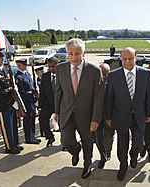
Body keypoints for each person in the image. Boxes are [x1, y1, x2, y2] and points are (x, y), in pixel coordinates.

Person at [54, 38, 104, 179]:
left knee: (88, 142)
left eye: (77, 53)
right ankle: (75, 150)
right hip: (66, 113)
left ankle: (87, 164)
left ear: (84, 53)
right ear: (67, 54)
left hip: (87, 116)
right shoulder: (61, 68)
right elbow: (58, 92)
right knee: (66, 141)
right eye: (71, 54)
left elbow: (99, 98)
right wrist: (57, 112)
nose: (74, 57)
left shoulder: (94, 71)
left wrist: (96, 119)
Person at [105, 47, 150, 181]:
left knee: (139, 143)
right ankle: (123, 166)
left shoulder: (146, 73)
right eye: (124, 59)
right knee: (122, 145)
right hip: (120, 116)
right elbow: (109, 98)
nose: (127, 62)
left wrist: (149, 113)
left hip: (139, 116)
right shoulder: (113, 75)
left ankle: (134, 155)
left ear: (135, 58)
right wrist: (108, 116)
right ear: (121, 59)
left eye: (130, 59)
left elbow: (149, 95)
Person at [0, 48, 23, 154]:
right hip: (3, 104)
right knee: (7, 126)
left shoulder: (6, 70)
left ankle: (15, 144)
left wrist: (14, 99)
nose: (2, 58)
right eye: (0, 56)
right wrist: (10, 101)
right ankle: (9, 146)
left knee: (13, 125)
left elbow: (11, 87)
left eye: (2, 56)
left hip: (11, 102)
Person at [94, 63, 115, 169]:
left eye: (105, 73)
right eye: (102, 73)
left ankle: (108, 152)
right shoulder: (93, 82)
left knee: (108, 137)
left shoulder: (114, 83)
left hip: (110, 117)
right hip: (97, 116)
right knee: (98, 138)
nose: (103, 75)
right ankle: (103, 156)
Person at [15, 59, 40, 144]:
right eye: (24, 65)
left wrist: (35, 94)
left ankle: (32, 137)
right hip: (26, 101)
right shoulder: (18, 77)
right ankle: (29, 139)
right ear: (19, 65)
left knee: (32, 119)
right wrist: (30, 97)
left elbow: (32, 86)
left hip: (31, 100)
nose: (25, 66)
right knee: (28, 120)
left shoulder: (27, 74)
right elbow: (21, 92)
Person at [38, 57, 57, 147]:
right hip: (49, 104)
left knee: (64, 124)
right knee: (42, 119)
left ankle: (66, 142)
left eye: (53, 66)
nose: (51, 69)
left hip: (61, 104)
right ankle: (50, 137)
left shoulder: (63, 75)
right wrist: (40, 106)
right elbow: (42, 93)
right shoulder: (45, 77)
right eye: (49, 67)